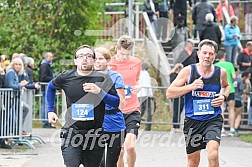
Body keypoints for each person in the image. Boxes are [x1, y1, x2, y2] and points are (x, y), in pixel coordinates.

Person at [46, 45, 120, 167]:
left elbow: (116, 102)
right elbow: (51, 87)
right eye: (81, 56)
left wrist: (100, 92)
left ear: (94, 60)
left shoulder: (103, 78)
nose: (84, 59)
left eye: (88, 56)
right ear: (75, 60)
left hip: (95, 136)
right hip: (72, 133)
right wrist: (50, 111)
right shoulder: (66, 77)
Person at [166, 39, 230, 167]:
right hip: (193, 121)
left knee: (213, 154)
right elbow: (169, 93)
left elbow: (227, 86)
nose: (207, 56)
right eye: (205, 53)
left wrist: (223, 96)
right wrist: (191, 86)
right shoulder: (188, 71)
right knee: (193, 161)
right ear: (198, 54)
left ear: (215, 56)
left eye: (211, 54)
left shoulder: (220, 72)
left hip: (213, 119)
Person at [109, 35, 142, 167]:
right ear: (117, 48)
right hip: (116, 111)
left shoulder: (136, 62)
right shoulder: (109, 64)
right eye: (122, 53)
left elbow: (137, 80)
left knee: (130, 146)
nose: (124, 57)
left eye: (127, 54)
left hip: (132, 110)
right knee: (119, 151)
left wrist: (139, 86)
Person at [94, 47, 126, 167]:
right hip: (96, 122)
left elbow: (121, 102)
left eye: (101, 59)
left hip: (113, 120)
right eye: (95, 59)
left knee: (111, 162)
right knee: (98, 161)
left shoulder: (116, 77)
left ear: (107, 60)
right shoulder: (89, 76)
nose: (97, 61)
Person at [215, 51, 236, 136]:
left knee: (221, 110)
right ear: (225, 56)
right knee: (231, 110)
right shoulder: (230, 64)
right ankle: (232, 129)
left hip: (220, 90)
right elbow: (234, 76)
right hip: (230, 88)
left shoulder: (215, 65)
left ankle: (222, 129)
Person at [38, 52, 55, 128]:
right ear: (46, 57)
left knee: (46, 104)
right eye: (50, 57)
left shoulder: (46, 65)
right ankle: (45, 122)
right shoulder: (44, 65)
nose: (52, 58)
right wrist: (54, 79)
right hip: (45, 88)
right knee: (45, 105)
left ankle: (47, 121)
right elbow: (43, 78)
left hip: (47, 88)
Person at [138, 62, 155, 131]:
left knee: (142, 109)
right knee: (148, 110)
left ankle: (136, 121)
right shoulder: (145, 74)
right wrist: (151, 95)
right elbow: (147, 85)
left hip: (140, 94)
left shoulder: (140, 73)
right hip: (145, 94)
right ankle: (148, 126)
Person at [169, 63, 184, 131]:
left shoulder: (182, 76)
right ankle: (175, 126)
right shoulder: (173, 75)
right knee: (176, 111)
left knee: (180, 110)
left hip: (181, 95)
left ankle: (177, 125)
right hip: (175, 95)